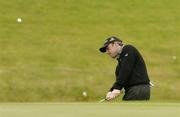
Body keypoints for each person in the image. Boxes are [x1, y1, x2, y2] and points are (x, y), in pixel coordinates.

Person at [99, 36, 151, 101]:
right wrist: (111, 90)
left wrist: (117, 88)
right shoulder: (119, 66)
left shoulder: (128, 49)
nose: (107, 52)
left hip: (138, 89)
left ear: (115, 44)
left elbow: (126, 70)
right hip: (134, 90)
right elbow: (121, 78)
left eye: (108, 48)